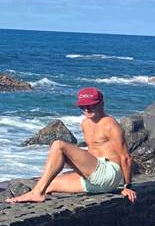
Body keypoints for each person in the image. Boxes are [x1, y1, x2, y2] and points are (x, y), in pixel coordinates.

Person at [8, 87, 137, 204]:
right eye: (83, 107)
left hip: (108, 173)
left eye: (91, 106)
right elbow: (91, 154)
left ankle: (37, 194)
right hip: (93, 177)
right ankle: (37, 192)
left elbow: (125, 157)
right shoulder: (85, 123)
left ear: (101, 104)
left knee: (59, 145)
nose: (87, 110)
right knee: (48, 184)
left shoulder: (109, 124)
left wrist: (127, 187)